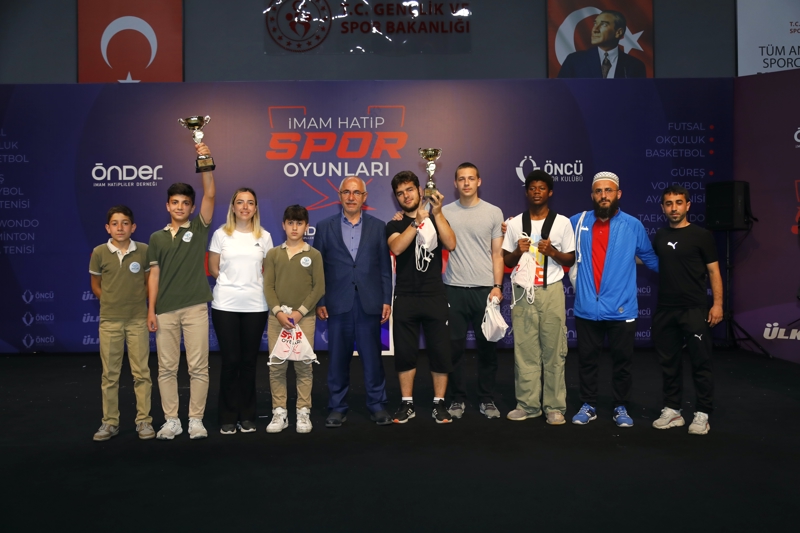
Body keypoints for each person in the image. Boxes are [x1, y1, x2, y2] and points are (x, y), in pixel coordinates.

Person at [570, 171, 658, 427]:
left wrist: (684, 268)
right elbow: (549, 237)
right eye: (598, 191)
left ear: (618, 194)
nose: (603, 195)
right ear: (592, 195)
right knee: (587, 362)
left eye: (608, 190)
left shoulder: (633, 225)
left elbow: (651, 259)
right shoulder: (576, 222)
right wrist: (512, 228)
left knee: (622, 363)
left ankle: (621, 406)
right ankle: (588, 404)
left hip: (622, 309)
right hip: (587, 308)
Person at [147, 142, 216, 440]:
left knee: (198, 367)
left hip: (195, 308)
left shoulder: (199, 229)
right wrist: (151, 310)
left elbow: (210, 193)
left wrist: (204, 158)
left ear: (191, 207)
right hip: (164, 311)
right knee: (166, 368)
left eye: (185, 203)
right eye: (174, 202)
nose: (179, 207)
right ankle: (172, 420)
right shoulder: (156, 238)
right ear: (167, 206)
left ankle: (196, 420)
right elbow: (154, 275)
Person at [314, 177, 393, 428]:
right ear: (339, 196)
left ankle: (377, 405)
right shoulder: (324, 227)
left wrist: (386, 299)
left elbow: (384, 268)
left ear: (364, 197)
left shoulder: (378, 227)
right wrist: (320, 300)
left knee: (373, 359)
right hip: (337, 302)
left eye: (356, 193)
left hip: (369, 302)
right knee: (337, 359)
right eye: (346, 192)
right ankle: (337, 407)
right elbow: (318, 270)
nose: (351, 197)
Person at [502, 170, 575, 424]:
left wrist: (553, 252)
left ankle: (554, 407)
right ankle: (527, 404)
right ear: (526, 192)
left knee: (554, 351)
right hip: (523, 292)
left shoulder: (562, 223)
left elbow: (571, 258)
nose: (536, 192)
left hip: (551, 290)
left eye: (541, 188)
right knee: (525, 350)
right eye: (532, 188)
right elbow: (506, 260)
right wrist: (517, 251)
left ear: (550, 192)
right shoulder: (515, 224)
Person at [386, 171, 457, 424]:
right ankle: (407, 404)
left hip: (434, 294)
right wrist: (415, 222)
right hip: (405, 296)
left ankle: (439, 403)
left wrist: (436, 213)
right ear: (396, 198)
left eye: (409, 190)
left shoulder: (436, 218)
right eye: (400, 193)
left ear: (419, 190)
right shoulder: (394, 224)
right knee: (405, 353)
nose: (406, 196)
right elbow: (396, 247)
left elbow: (451, 243)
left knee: (440, 351)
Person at [651, 185, 722, 435]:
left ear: (688, 205)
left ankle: (702, 413)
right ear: (663, 207)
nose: (674, 208)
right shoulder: (660, 236)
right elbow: (647, 260)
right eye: (669, 203)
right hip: (665, 310)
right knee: (668, 363)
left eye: (679, 203)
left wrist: (717, 304)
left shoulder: (702, 236)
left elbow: (714, 271)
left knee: (701, 363)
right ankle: (673, 410)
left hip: (694, 310)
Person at [441, 162, 505, 419]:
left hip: (485, 291)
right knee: (454, 349)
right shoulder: (444, 212)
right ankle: (457, 399)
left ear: (479, 181)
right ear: (455, 183)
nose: (466, 183)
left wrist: (497, 286)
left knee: (487, 349)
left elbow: (498, 254)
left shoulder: (493, 212)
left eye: (470, 178)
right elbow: (419, 223)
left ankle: (487, 399)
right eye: (461, 179)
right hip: (453, 289)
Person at [207, 188, 272, 435]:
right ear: (233, 207)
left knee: (248, 362)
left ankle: (247, 415)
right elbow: (214, 268)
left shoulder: (264, 237)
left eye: (250, 203)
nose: (245, 207)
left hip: (256, 306)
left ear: (255, 208)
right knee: (230, 361)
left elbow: (268, 270)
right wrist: (232, 284)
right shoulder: (220, 234)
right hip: (225, 305)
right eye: (240, 202)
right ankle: (227, 415)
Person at [89, 205, 154, 441]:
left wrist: (138, 304)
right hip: (110, 321)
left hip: (137, 320)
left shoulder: (144, 250)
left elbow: (148, 283)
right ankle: (110, 422)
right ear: (108, 228)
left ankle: (144, 421)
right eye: (115, 224)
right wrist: (110, 302)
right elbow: (96, 285)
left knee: (142, 373)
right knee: (110, 375)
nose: (120, 228)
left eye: (125, 223)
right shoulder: (99, 252)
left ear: (133, 227)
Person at [263, 205, 325, 434]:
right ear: (283, 225)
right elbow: (268, 287)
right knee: (277, 366)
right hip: (277, 318)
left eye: (299, 223)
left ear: (306, 227)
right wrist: (279, 312)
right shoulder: (273, 254)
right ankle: (279, 412)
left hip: (304, 318)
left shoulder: (314, 255)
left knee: (303, 366)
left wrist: (299, 313)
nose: (295, 227)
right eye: (290, 223)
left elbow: (319, 288)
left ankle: (303, 411)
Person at [557, 10, 646, 79]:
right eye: (595, 23)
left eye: (603, 24)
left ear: (618, 32)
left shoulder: (635, 66)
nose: (595, 29)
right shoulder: (574, 61)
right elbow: (561, 92)